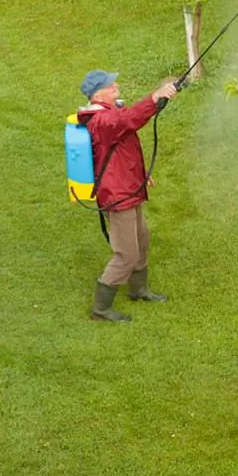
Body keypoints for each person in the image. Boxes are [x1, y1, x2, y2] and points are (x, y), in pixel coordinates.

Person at [77, 69, 177, 322]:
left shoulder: (110, 113)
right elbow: (129, 120)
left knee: (142, 238)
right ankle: (101, 308)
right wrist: (154, 97)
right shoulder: (100, 121)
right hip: (117, 195)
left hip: (128, 187)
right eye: (111, 85)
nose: (116, 85)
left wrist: (141, 175)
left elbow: (125, 147)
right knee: (126, 254)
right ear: (98, 94)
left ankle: (138, 290)